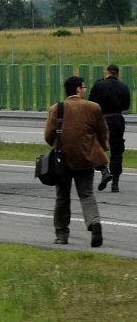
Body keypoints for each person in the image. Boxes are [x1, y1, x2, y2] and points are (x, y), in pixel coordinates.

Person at [46, 76, 108, 247]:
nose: (85, 90)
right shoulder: (93, 107)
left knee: (62, 198)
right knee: (87, 195)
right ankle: (94, 223)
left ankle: (62, 235)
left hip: (62, 161)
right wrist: (102, 149)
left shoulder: (56, 108)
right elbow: (102, 132)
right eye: (84, 87)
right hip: (85, 159)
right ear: (79, 89)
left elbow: (48, 135)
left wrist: (59, 145)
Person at [89, 64, 130, 192]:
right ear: (118, 74)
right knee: (117, 150)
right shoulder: (124, 87)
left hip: (102, 119)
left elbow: (91, 103)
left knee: (96, 147)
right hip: (118, 120)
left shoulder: (98, 85)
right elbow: (126, 106)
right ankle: (115, 183)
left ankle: (104, 171)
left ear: (106, 72)